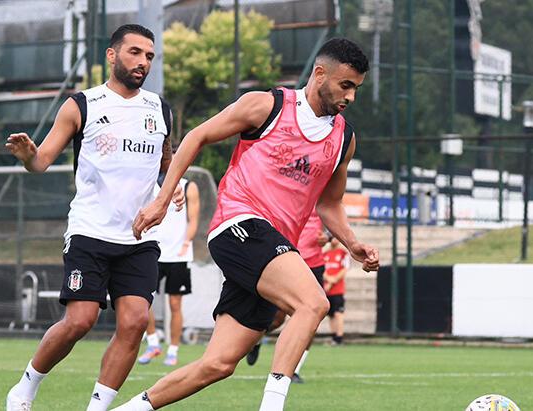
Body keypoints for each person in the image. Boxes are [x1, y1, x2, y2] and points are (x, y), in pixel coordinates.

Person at [116, 37, 378, 411]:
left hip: (273, 249)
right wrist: (162, 198)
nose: (350, 96)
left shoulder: (344, 139)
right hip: (239, 223)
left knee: (218, 364)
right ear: (320, 74)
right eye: (346, 85)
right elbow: (197, 136)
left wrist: (352, 244)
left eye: (357, 89)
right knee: (312, 302)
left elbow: (329, 202)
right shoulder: (267, 106)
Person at [4, 24, 182, 411]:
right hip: (90, 232)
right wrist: (29, 156)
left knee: (135, 323)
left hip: (139, 238)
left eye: (149, 56)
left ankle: (97, 408)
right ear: (112, 55)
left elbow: (167, 162)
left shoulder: (161, 109)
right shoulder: (82, 105)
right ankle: (25, 388)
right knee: (79, 321)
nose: (143, 62)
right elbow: (41, 161)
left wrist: (173, 186)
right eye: (135, 52)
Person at [245, 209, 329, 385]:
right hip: (285, 259)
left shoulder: (323, 197)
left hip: (314, 263)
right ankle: (256, 340)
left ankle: (294, 371)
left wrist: (327, 237)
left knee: (312, 317)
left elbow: (334, 220)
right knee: (277, 319)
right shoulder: (288, 197)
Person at [138, 174, 200, 366]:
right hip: (154, 252)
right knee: (143, 300)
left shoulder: (188, 186)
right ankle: (153, 343)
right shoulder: (149, 182)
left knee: (175, 304)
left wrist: (186, 243)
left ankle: (173, 351)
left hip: (178, 256)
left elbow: (193, 219)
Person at [323, 236, 349, 345]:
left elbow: (344, 269)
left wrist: (332, 281)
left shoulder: (343, 253)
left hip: (338, 289)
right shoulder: (325, 253)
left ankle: (339, 337)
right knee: (331, 314)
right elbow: (322, 269)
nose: (335, 240)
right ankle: (334, 337)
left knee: (339, 313)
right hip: (326, 290)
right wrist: (328, 279)